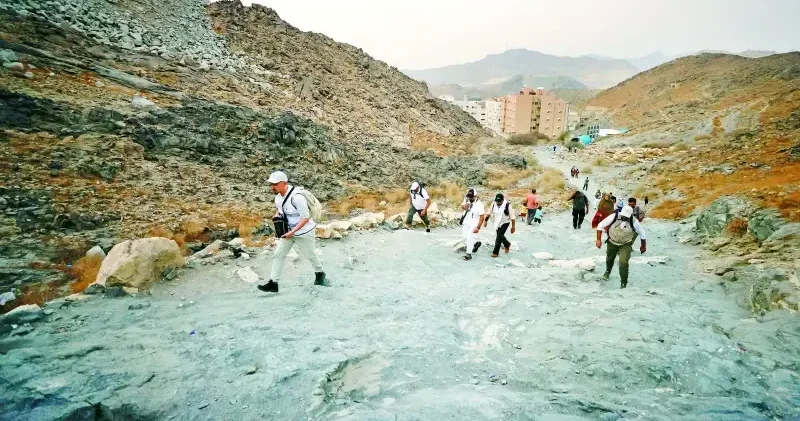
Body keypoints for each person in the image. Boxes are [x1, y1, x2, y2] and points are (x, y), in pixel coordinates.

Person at [258, 171, 325, 293]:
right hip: (288, 231)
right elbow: (281, 211)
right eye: (272, 184)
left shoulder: (297, 198)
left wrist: (292, 232)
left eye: (275, 184)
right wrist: (277, 216)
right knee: (278, 254)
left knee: (310, 255)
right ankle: (273, 283)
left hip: (304, 232)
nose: (273, 187)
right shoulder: (278, 198)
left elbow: (305, 218)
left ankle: (320, 273)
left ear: (284, 183)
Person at [596, 206, 647, 289]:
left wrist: (643, 246)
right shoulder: (613, 216)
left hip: (625, 244)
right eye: (623, 216)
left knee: (623, 262)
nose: (624, 218)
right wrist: (598, 240)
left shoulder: (634, 221)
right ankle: (607, 272)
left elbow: (642, 233)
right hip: (612, 242)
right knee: (609, 259)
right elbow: (600, 226)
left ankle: (623, 283)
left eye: (627, 217)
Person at [485, 193, 516, 257]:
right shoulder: (494, 203)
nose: (498, 203)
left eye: (499, 202)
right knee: (500, 236)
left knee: (498, 237)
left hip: (505, 222)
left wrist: (513, 227)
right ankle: (507, 244)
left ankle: (495, 253)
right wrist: (486, 221)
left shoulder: (507, 205)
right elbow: (489, 212)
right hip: (497, 222)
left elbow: (513, 217)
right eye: (497, 202)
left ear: (503, 200)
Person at [460, 189, 486, 261]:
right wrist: (464, 207)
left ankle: (468, 254)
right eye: (469, 197)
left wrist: (478, 227)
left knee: (469, 237)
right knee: (465, 236)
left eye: (471, 197)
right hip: (466, 221)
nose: (469, 198)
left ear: (475, 196)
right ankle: (476, 243)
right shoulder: (466, 199)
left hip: (474, 223)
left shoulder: (479, 205)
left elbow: (482, 217)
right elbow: (462, 206)